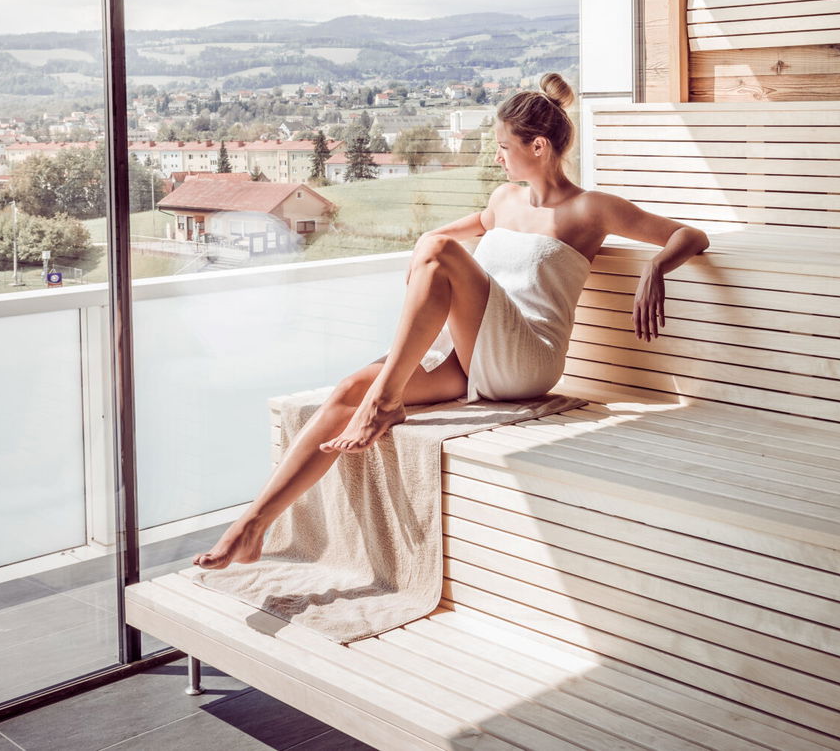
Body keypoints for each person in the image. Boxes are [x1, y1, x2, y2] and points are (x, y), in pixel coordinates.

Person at [193, 72, 710, 570]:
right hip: (471, 354)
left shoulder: (590, 209)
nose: (496, 155)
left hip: (526, 359)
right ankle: (253, 525)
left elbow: (689, 234)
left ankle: (386, 401)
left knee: (437, 256)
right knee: (349, 387)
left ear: (538, 147)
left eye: (504, 146)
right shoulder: (503, 199)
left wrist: (656, 267)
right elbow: (467, 231)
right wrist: (425, 243)